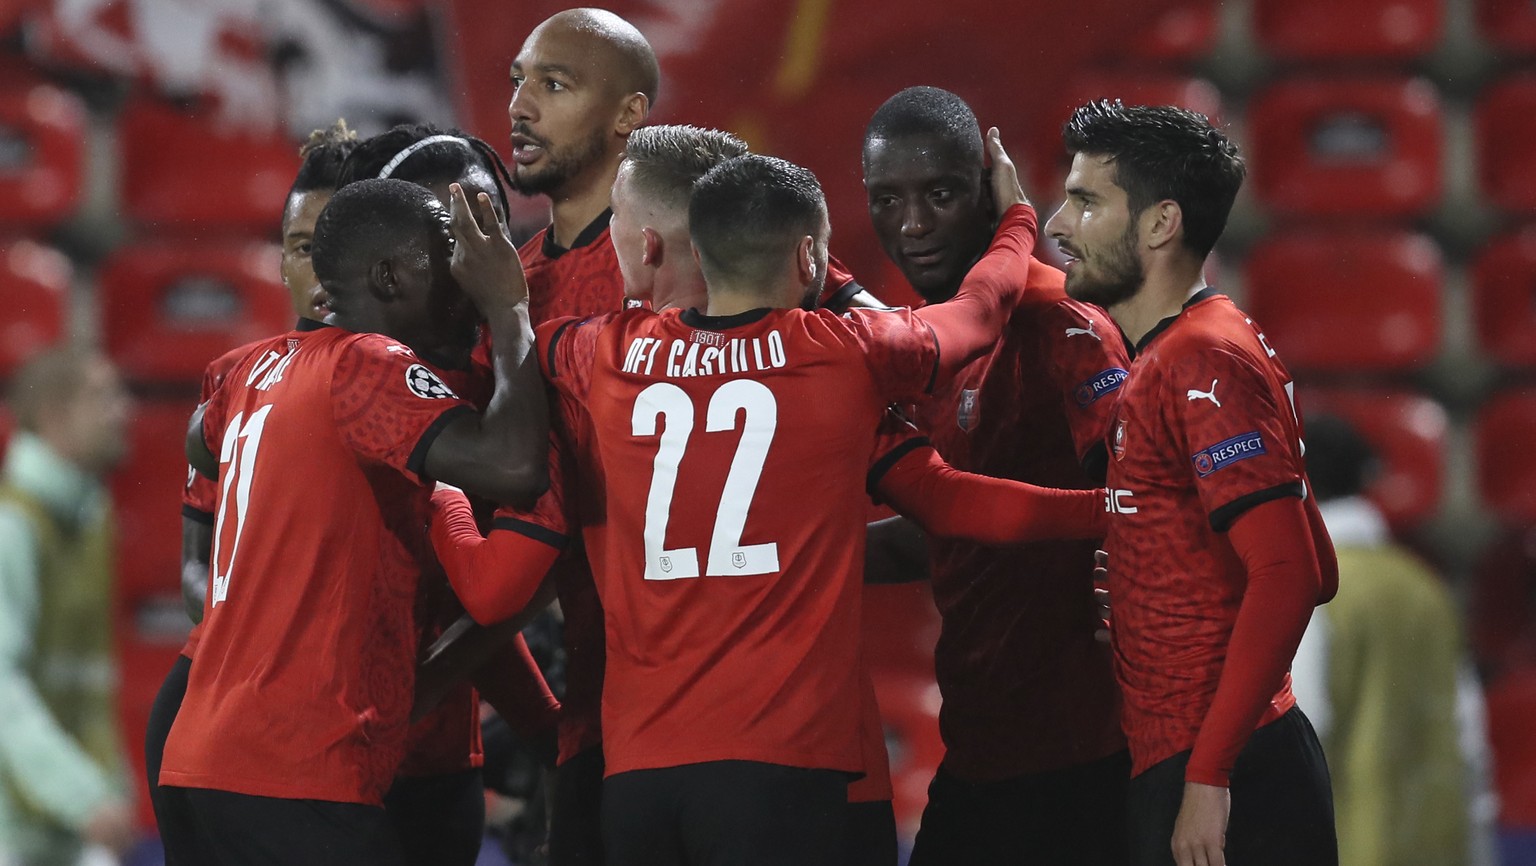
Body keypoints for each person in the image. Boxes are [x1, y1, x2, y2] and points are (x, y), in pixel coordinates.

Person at [532, 139, 1040, 865]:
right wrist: (1017, 217)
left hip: (638, 768)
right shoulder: (840, 355)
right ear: (804, 256)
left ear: (662, 247)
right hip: (793, 763)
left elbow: (526, 353)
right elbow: (976, 330)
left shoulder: (604, 353)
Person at [158, 178, 547, 866]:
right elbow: (515, 467)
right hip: (293, 763)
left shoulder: (255, 368)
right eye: (450, 259)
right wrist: (510, 307)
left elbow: (200, 437)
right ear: (391, 277)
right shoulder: (368, 366)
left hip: (201, 751)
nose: (466, 281)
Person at [1044, 99, 1338, 866]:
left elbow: (1293, 573)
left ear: (1159, 223)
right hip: (1211, 756)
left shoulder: (1199, 361)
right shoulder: (1201, 343)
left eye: (1085, 201)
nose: (1056, 224)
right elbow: (1318, 559)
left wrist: (1208, 775)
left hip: (1223, 772)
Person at [859, 86, 1131, 866]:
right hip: (981, 750)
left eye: (939, 195)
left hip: (1079, 758)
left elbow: (1142, 508)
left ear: (989, 190)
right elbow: (942, 532)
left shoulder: (1058, 323)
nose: (912, 225)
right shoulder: (934, 345)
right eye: (888, 200)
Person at [1290, 414, 1495, 866]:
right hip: (1438, 846)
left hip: (1346, 846)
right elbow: (1468, 737)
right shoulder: (1425, 586)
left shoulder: (1308, 589)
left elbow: (1300, 738)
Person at [0, 347, 136, 866]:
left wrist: (108, 793)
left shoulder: (92, 519)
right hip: (17, 831)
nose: (124, 410)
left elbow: (90, 689)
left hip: (79, 823)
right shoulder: (13, 527)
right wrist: (81, 795)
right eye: (104, 396)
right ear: (56, 416)